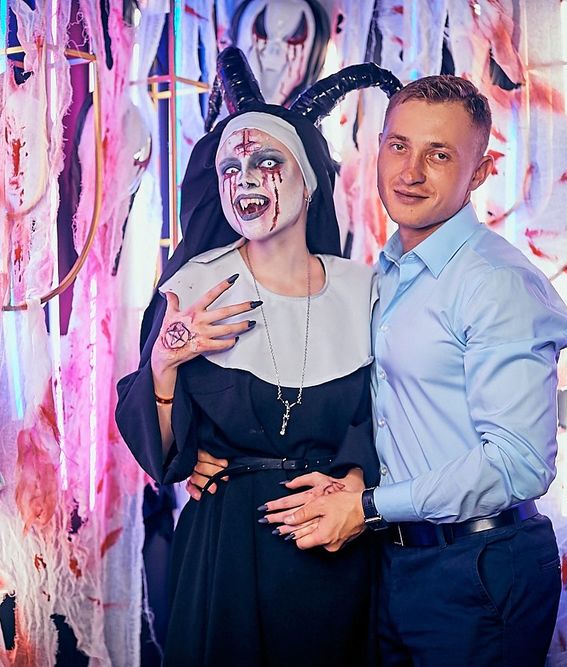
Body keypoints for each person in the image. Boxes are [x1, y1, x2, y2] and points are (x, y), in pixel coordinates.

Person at [253, 76, 567, 665]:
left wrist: (369, 506)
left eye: (440, 154)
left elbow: (518, 463)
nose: (411, 172)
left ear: (479, 174)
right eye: (399, 145)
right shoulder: (389, 271)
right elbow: (388, 410)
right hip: (399, 560)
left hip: (480, 565)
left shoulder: (493, 282)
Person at [115, 48, 399, 666]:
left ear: (309, 180)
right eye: (231, 166)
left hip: (333, 542)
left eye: (267, 162)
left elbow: (385, 416)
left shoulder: (365, 290)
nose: (245, 178)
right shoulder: (192, 286)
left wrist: (356, 484)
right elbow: (162, 454)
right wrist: (164, 362)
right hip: (226, 552)